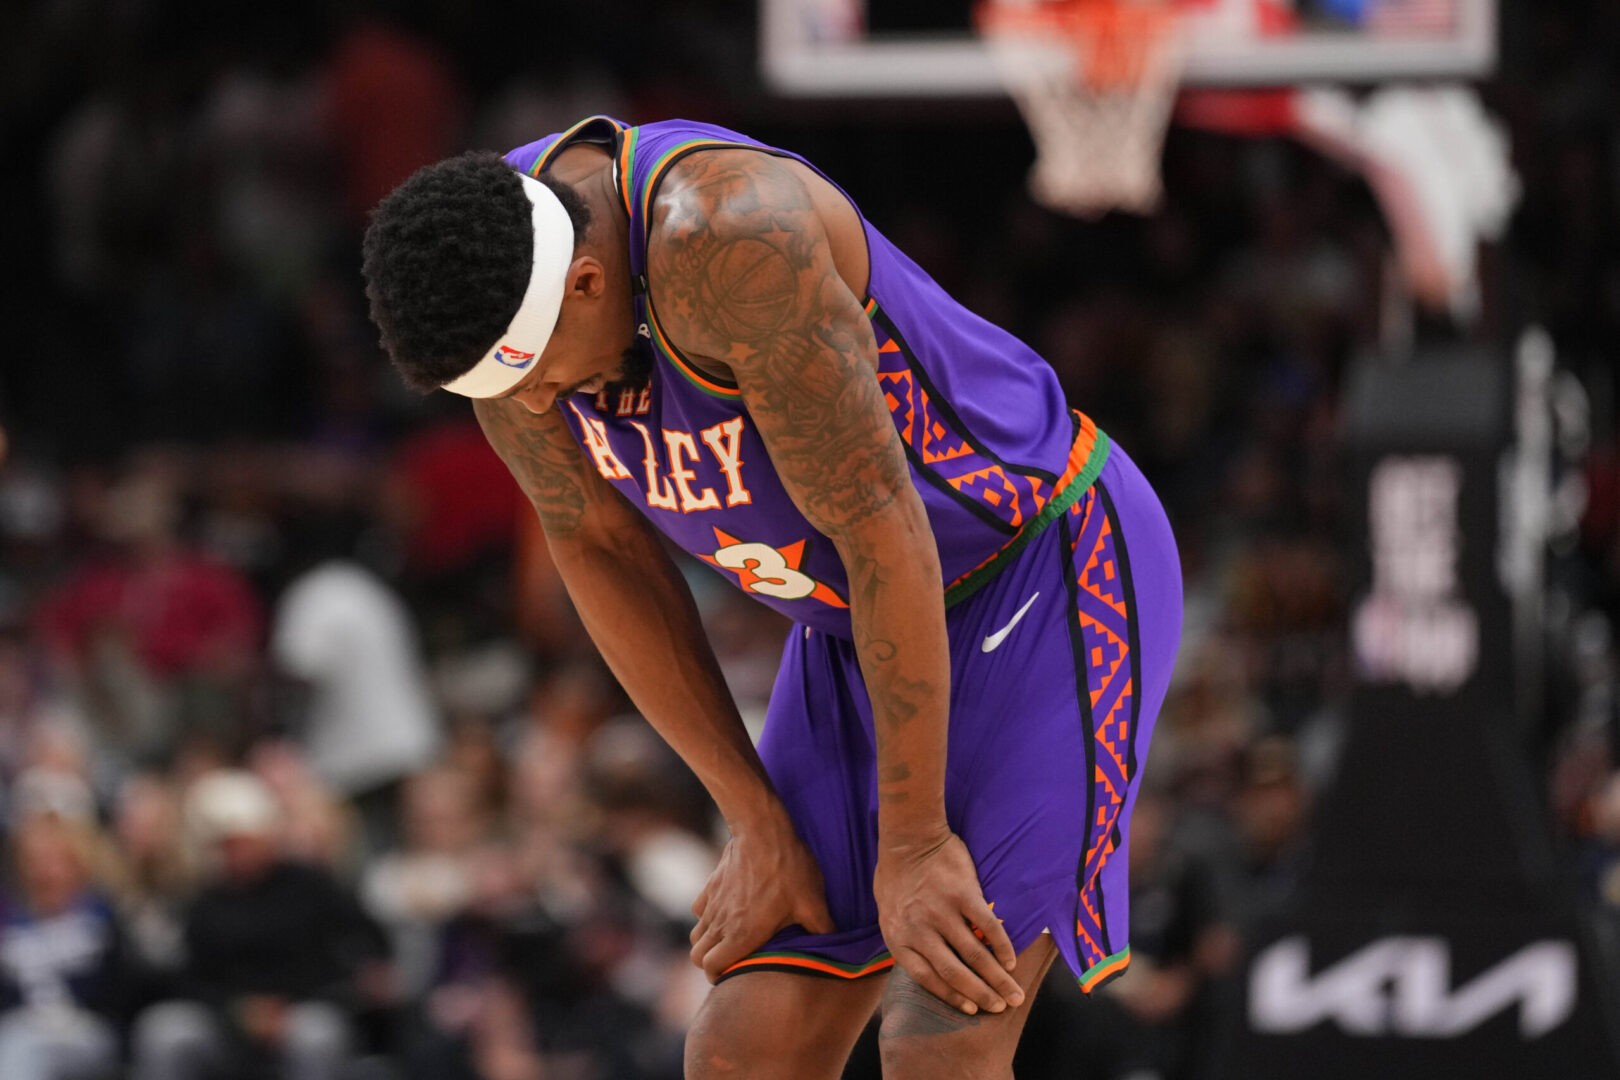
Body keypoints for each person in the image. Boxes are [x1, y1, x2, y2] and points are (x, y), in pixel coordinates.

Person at [361, 115, 1183, 1078]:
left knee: (939, 1040)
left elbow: (883, 523)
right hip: (854, 624)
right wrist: (752, 818)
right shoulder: (493, 263)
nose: (538, 407)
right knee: (739, 1049)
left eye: (532, 376)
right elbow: (596, 544)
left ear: (586, 282)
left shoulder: (732, 236)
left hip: (1042, 570)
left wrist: (914, 844)